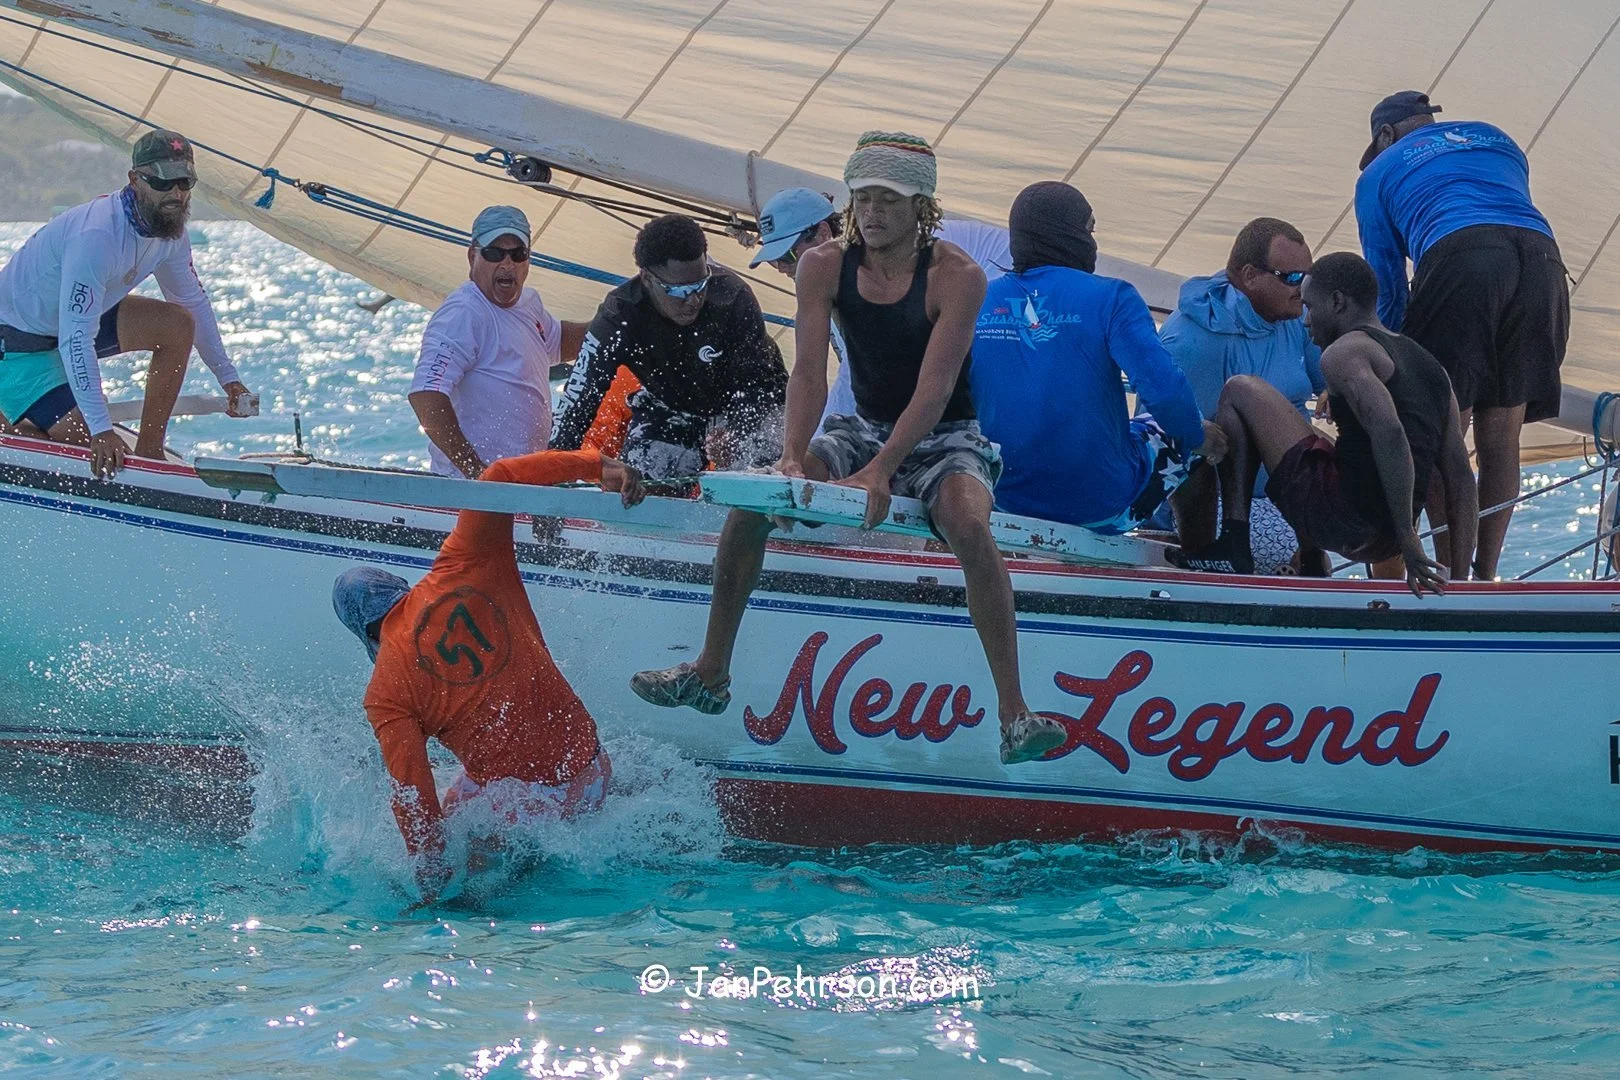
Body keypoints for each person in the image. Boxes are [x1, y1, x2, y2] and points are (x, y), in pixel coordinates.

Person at [630, 130, 1067, 766]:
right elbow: (808, 372)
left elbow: (936, 388)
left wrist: (882, 471)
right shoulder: (822, 265)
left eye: (888, 199)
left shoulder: (958, 277)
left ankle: (1014, 715)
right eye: (862, 197)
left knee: (968, 524)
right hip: (861, 427)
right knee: (755, 501)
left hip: (946, 435)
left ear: (921, 205)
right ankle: (710, 672)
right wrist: (790, 455)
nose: (872, 212)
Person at [332, 448, 645, 899]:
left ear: (364, 635)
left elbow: (413, 797)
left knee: (468, 887)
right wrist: (599, 466)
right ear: (399, 587)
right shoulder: (462, 561)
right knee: (463, 798)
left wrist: (431, 879)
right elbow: (500, 473)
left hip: (531, 812)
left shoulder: (385, 694)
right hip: (593, 767)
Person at [1170, 253, 1478, 598]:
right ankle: (1312, 559)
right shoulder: (1433, 369)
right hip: (1385, 540)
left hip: (1344, 521)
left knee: (1240, 389)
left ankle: (1234, 543)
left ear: (1337, 302)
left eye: (1310, 307)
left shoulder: (1344, 353)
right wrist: (1461, 582)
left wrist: (1410, 541)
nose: (1305, 322)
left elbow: (1390, 433)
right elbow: (1460, 477)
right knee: (1312, 435)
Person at [1356, 91, 1567, 580]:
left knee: (1442, 437)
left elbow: (1388, 288)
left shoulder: (1377, 173)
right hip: (1543, 262)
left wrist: (1393, 361)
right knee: (1503, 437)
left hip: (1460, 256)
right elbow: (1504, 205)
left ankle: (1449, 578)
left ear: (1385, 135)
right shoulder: (1496, 138)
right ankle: (1486, 576)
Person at [971, 180, 1223, 533]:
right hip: (1098, 505)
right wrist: (1198, 438)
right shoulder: (1113, 297)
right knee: (1187, 433)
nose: (1093, 243)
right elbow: (1166, 393)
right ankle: (1203, 555)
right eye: (1089, 230)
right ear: (1070, 234)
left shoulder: (978, 299)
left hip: (999, 498)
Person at [0, 129, 251, 478]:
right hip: (17, 344)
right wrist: (101, 429)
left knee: (177, 324)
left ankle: (150, 455)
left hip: (65, 327)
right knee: (89, 445)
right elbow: (76, 339)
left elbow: (192, 301)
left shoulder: (171, 232)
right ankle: (10, 425)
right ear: (135, 180)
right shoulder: (97, 236)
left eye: (184, 182)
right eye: (162, 182)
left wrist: (228, 378)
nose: (176, 193)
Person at [750, 186, 1011, 435]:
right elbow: (847, 381)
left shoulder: (875, 258)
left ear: (823, 233)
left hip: (1006, 286)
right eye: (773, 261)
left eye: (787, 256)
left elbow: (901, 387)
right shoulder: (839, 270)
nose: (781, 268)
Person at [550, 214, 787, 479]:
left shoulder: (733, 296)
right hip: (670, 405)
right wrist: (552, 473)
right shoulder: (618, 317)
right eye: (679, 291)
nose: (693, 299)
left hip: (753, 400)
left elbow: (756, 386)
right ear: (646, 278)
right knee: (644, 480)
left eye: (701, 284)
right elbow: (577, 402)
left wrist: (734, 434)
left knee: (754, 474)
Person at [1157, 217, 1323, 571]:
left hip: (1295, 494)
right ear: (1249, 276)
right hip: (1220, 508)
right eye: (1293, 278)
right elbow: (1172, 450)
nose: (1303, 289)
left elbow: (1333, 382)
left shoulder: (1296, 316)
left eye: (1310, 278)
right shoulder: (1191, 342)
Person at [409, 206, 587, 478]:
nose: (507, 264)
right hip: (473, 488)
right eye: (494, 253)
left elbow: (559, 342)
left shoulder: (529, 303)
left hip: (522, 483)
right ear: (472, 256)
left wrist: (616, 318)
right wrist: (475, 471)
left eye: (518, 254)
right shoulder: (463, 313)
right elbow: (426, 395)